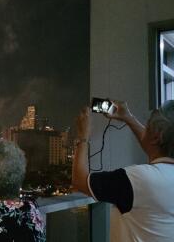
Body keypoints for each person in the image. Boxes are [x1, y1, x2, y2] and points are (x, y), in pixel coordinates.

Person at [72, 100, 174, 242]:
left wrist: (83, 136)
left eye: (148, 126)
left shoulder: (140, 179)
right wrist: (128, 117)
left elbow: (79, 181)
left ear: (157, 137)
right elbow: (152, 144)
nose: (145, 129)